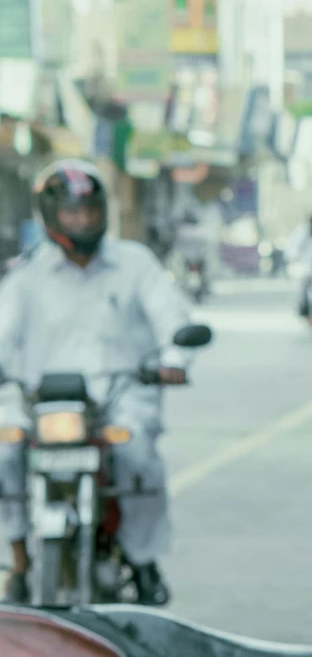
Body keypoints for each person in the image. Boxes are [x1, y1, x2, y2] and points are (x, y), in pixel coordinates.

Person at [0, 160, 197, 606]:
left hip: (120, 398)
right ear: (49, 215)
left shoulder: (135, 264)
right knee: (3, 451)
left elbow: (172, 319)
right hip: (40, 404)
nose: (83, 221)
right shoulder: (25, 276)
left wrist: (174, 359)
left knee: (136, 454)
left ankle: (144, 559)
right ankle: (19, 561)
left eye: (89, 211)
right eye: (72, 213)